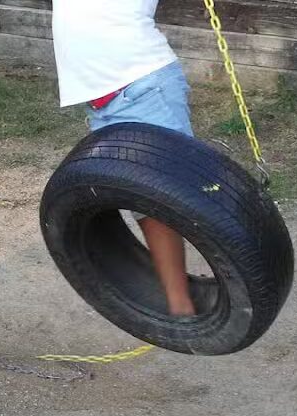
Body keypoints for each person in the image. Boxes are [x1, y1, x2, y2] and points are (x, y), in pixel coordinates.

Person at [52, 0, 197, 316]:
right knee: (144, 203)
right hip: (105, 101)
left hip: (143, 87)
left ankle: (184, 307)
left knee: (167, 198)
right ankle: (179, 303)